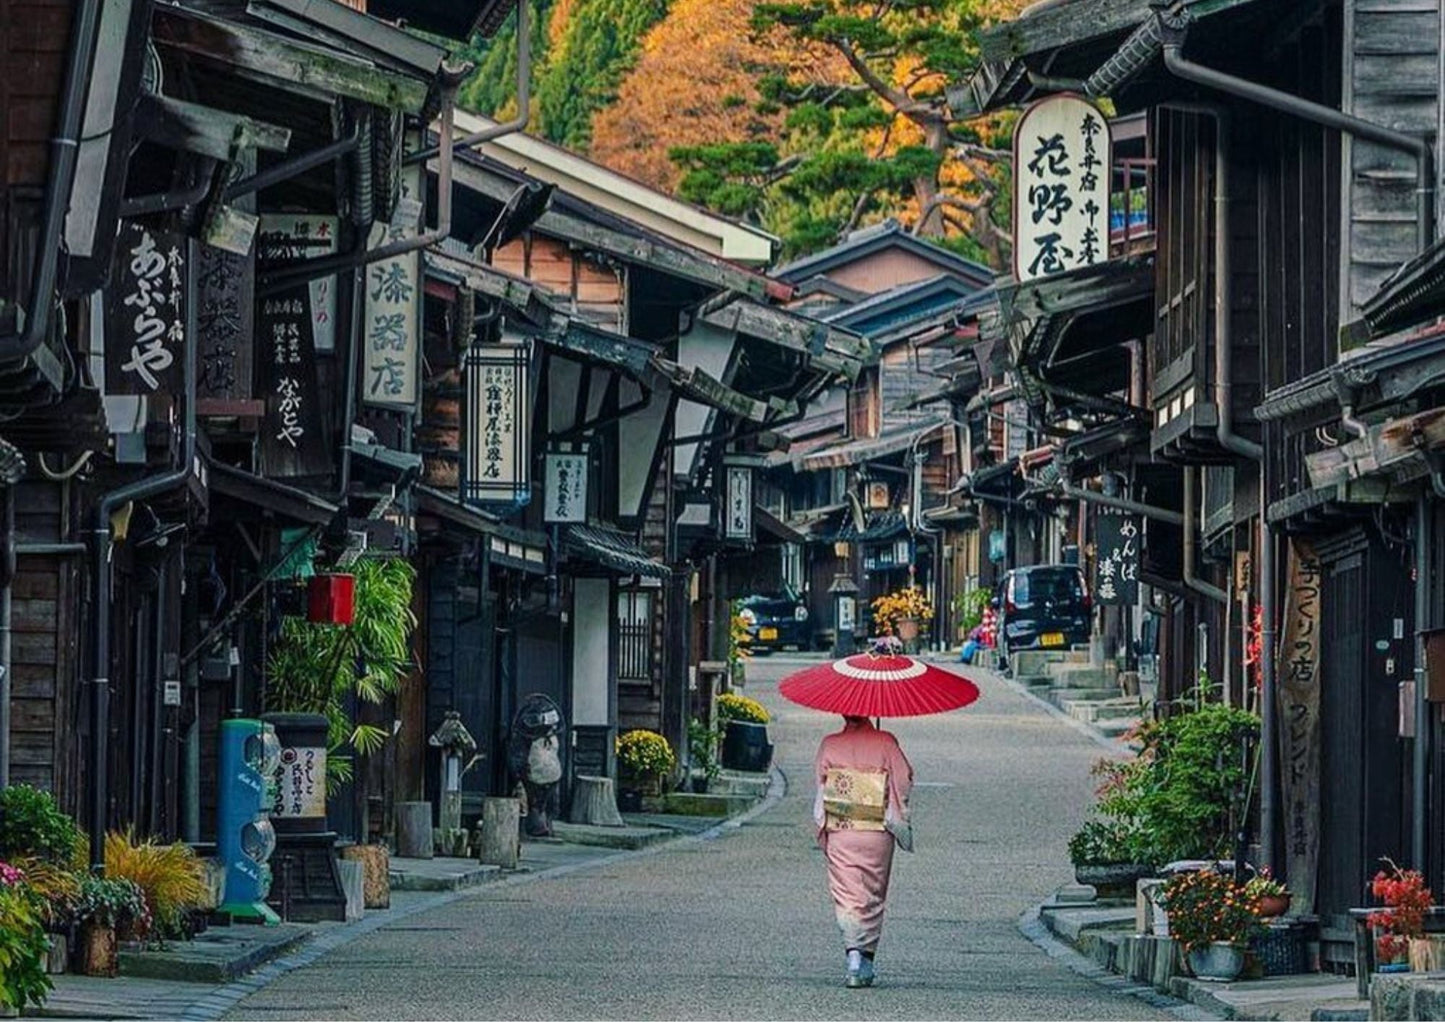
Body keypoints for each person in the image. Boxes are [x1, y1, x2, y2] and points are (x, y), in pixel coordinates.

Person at [813, 715, 914, 988]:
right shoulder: (885, 741)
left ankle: (853, 955)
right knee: (872, 892)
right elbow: (903, 779)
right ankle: (866, 959)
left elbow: (821, 784)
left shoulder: (830, 744)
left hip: (842, 829)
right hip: (875, 831)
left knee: (846, 894)